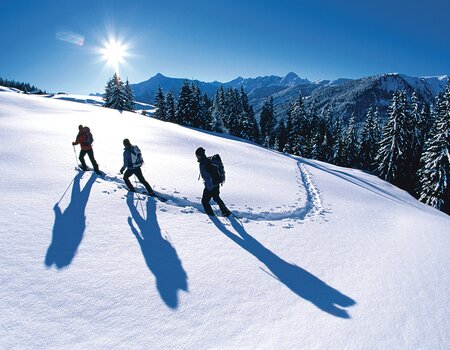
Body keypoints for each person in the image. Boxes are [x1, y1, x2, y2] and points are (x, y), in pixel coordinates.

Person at [196, 147, 231, 217]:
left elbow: (207, 177)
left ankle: (211, 215)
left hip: (210, 185)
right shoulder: (208, 160)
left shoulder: (203, 163)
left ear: (200, 155)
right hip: (216, 183)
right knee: (216, 197)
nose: (196, 157)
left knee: (204, 201)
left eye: (197, 155)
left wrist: (209, 188)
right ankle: (225, 212)